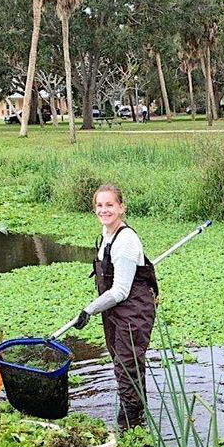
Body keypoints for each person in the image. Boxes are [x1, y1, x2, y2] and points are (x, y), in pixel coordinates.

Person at [73, 184, 158, 429]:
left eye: (109, 204)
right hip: (114, 311)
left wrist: (89, 309)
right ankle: (137, 416)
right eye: (99, 205)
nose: (104, 210)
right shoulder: (106, 234)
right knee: (121, 362)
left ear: (121, 207)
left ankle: (129, 424)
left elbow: (120, 291)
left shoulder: (127, 241)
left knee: (127, 364)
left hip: (133, 311)